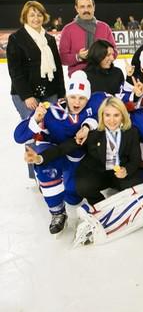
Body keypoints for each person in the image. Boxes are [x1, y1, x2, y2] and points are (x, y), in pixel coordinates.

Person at [14, 71, 108, 235]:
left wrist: (88, 125)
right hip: (54, 154)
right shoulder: (51, 111)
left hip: (76, 157)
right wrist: (35, 119)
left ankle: (62, 185)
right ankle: (57, 212)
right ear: (67, 95)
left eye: (82, 98)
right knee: (46, 167)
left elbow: (112, 103)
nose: (77, 102)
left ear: (88, 98)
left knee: (73, 196)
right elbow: (18, 136)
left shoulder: (95, 101)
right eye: (73, 97)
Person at [25, 96, 143, 206]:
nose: (111, 120)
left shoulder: (131, 132)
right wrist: (39, 158)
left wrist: (126, 170)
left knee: (137, 186)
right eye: (107, 115)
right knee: (82, 186)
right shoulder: (92, 132)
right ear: (101, 116)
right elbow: (63, 148)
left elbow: (135, 159)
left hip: (120, 173)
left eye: (116, 115)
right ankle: (100, 205)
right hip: (99, 172)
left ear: (123, 116)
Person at [7, 1, 65, 179]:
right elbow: (15, 72)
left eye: (39, 14)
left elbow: (57, 68)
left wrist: (61, 93)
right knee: (33, 131)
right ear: (25, 17)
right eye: (32, 14)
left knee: (52, 130)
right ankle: (36, 173)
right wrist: (27, 96)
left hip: (50, 92)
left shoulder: (48, 39)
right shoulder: (16, 39)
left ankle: (53, 167)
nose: (36, 18)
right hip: (26, 96)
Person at [59, 0, 117, 76]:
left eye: (89, 6)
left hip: (103, 73)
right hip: (79, 75)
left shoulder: (104, 27)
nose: (86, 10)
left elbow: (114, 52)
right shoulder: (68, 30)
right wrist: (78, 57)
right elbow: (63, 58)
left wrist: (101, 58)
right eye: (82, 7)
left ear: (94, 7)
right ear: (76, 9)